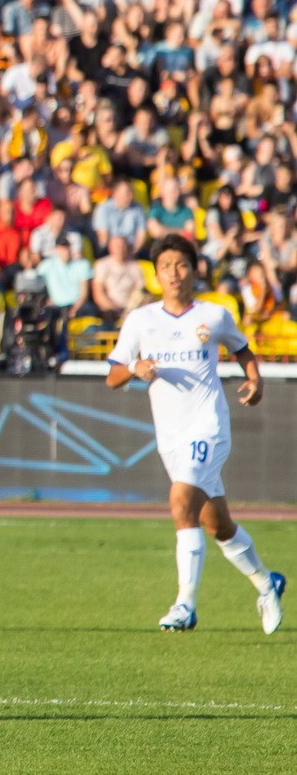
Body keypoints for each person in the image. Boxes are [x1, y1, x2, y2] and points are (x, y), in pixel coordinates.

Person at [103, 234, 282, 633]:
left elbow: (243, 350)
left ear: (194, 271)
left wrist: (255, 381)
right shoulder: (141, 321)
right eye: (166, 266)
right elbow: (112, 376)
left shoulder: (214, 316)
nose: (174, 274)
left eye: (181, 265)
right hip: (171, 437)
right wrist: (135, 369)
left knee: (181, 500)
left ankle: (185, 604)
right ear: (156, 273)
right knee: (218, 526)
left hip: (209, 427)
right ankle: (267, 583)